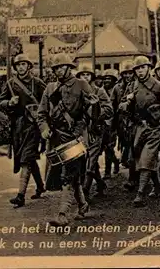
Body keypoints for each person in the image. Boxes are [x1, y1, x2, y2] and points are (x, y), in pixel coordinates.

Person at [37, 54, 111, 226]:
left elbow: (95, 114)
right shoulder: (50, 89)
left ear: (69, 68)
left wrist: (95, 105)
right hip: (56, 137)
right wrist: (45, 129)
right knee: (73, 176)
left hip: (77, 136)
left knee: (68, 176)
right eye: (55, 68)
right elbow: (41, 114)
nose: (58, 71)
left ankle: (62, 214)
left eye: (61, 67)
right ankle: (83, 204)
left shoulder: (81, 85)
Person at [119, 56, 160, 207]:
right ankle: (157, 185)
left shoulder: (159, 86)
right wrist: (128, 101)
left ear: (149, 69)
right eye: (137, 69)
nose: (140, 71)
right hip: (138, 128)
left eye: (143, 67)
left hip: (154, 129)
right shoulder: (132, 86)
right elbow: (121, 108)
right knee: (140, 158)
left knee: (147, 158)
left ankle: (140, 194)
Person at [0, 54, 47, 208]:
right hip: (18, 127)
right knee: (28, 157)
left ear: (29, 66)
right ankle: (40, 186)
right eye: (18, 65)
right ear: (15, 67)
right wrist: (9, 103)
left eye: (24, 64)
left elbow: (49, 99)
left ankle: (20, 196)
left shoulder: (37, 83)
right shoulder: (11, 84)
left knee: (26, 158)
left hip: (33, 126)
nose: (21, 67)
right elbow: (0, 102)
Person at [74, 64, 111, 198]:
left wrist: (96, 112)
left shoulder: (99, 91)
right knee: (85, 159)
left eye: (88, 75)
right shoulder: (76, 91)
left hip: (95, 129)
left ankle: (85, 191)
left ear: (92, 77)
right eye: (82, 75)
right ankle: (100, 183)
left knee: (91, 160)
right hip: (80, 130)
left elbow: (109, 110)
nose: (85, 77)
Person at [112, 60, 138, 191]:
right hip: (122, 124)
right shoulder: (117, 88)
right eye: (125, 74)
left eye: (130, 73)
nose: (127, 76)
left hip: (134, 122)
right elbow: (113, 105)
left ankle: (133, 179)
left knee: (133, 153)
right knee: (127, 152)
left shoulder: (137, 85)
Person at [101, 69, 121, 179]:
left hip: (114, 123)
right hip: (103, 123)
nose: (106, 81)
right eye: (105, 79)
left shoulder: (117, 90)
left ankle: (107, 171)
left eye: (109, 78)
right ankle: (116, 161)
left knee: (109, 146)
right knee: (105, 147)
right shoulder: (100, 91)